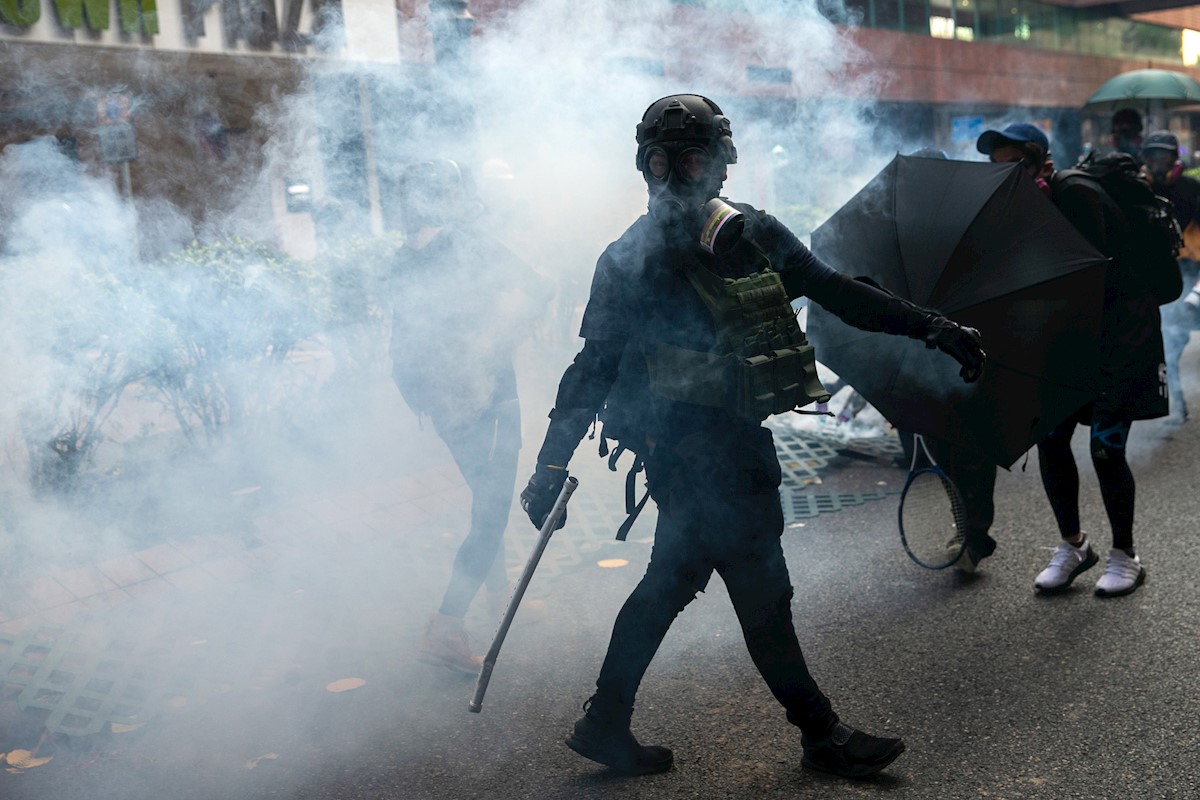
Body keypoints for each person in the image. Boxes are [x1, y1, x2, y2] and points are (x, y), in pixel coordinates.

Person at [518, 95, 985, 778]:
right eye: (664, 160)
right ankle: (819, 734)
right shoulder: (635, 255)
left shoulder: (743, 236)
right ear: (647, 167)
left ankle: (606, 721)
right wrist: (549, 464)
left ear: (718, 166)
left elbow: (837, 293)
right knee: (759, 585)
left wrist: (932, 327)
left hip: (715, 446)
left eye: (692, 157)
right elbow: (592, 367)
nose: (678, 174)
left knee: (671, 582)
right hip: (695, 454)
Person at [978, 122, 1167, 597]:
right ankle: (1074, 546)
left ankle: (1126, 555)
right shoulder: (1020, 208)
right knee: (1051, 438)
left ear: (1041, 162)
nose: (1006, 176)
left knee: (1105, 449)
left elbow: (1089, 277)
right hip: (1070, 343)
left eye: (1016, 165)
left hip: (1121, 340)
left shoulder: (1076, 194)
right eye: (997, 169)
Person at [389, 158, 549, 674]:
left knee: (489, 501)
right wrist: (502, 338)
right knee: (491, 510)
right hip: (488, 396)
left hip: (444, 403)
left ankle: (496, 600)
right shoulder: (466, 244)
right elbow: (537, 289)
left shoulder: (404, 258)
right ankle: (445, 625)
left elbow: (405, 347)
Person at [1141, 130, 1200, 423]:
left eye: (1163, 156)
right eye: (1152, 156)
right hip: (1155, 273)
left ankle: (1175, 403)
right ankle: (1173, 403)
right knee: (1163, 340)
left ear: (1175, 158)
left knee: (1174, 340)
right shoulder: (1141, 188)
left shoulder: (1191, 188)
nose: (1158, 162)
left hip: (1189, 272)